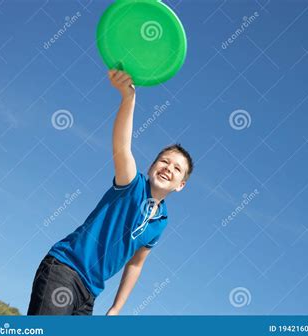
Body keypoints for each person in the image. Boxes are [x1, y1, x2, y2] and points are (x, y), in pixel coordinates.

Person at [27, 70, 193, 315]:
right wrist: (129, 99)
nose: (168, 168)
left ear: (181, 185)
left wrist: (117, 307)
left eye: (177, 168)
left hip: (89, 293)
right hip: (65, 269)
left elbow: (135, 264)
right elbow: (122, 146)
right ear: (151, 167)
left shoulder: (161, 222)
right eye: (164, 161)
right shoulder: (131, 184)